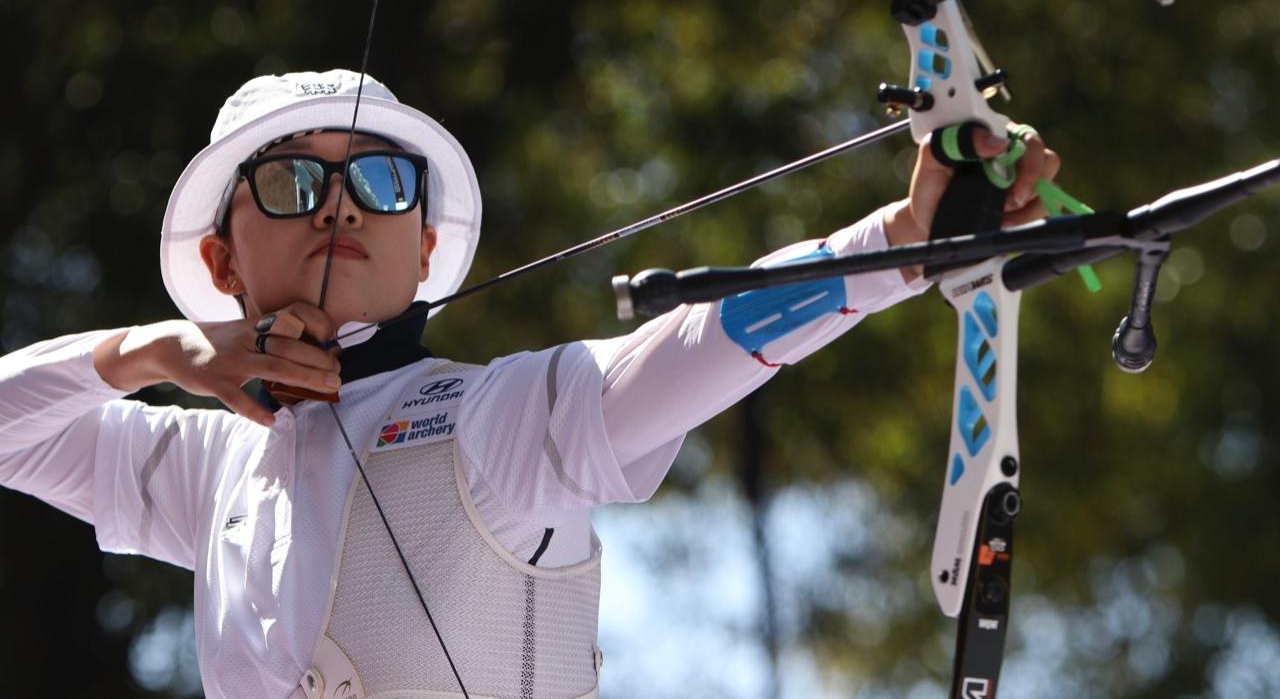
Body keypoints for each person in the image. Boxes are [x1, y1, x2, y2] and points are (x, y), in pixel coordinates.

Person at [0, 69, 1058, 698]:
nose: (337, 204)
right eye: (287, 180)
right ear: (222, 262)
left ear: (424, 243)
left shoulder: (496, 419)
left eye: (379, 177)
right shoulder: (208, 468)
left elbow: (703, 338)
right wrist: (153, 351)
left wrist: (902, 241)